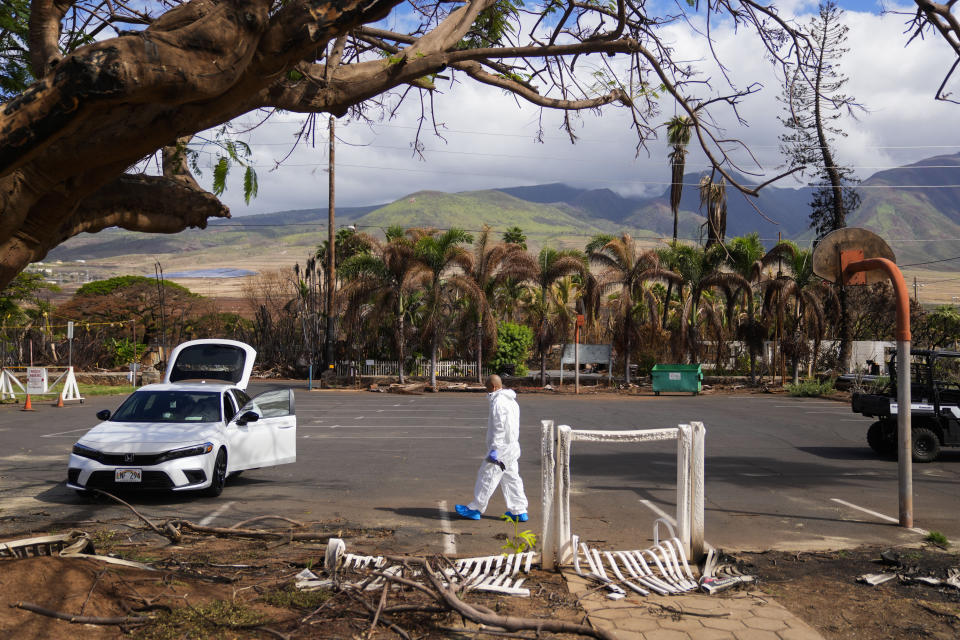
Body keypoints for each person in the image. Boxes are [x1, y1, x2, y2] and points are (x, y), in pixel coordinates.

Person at [455, 374, 529, 522]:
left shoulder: (499, 402)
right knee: (511, 477)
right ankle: (519, 510)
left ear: (494, 387)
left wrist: (495, 448)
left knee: (487, 475)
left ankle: (475, 508)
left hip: (501, 448)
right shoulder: (511, 401)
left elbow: (499, 427)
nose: (487, 392)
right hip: (512, 446)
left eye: (487, 388)